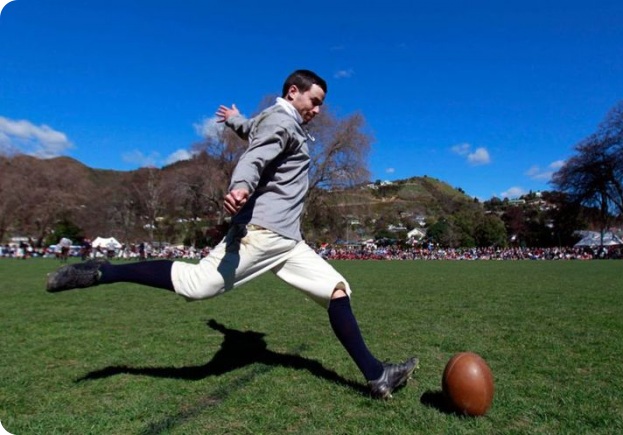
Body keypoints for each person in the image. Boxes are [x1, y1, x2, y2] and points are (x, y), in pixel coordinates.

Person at [46, 69, 418, 399]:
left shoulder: (273, 119)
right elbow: (254, 155)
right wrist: (241, 185)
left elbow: (251, 129)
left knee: (336, 289)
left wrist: (233, 119)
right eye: (315, 101)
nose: (318, 110)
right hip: (263, 233)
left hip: (288, 240)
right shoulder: (282, 121)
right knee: (197, 285)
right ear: (293, 92)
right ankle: (104, 271)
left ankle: (377, 375)